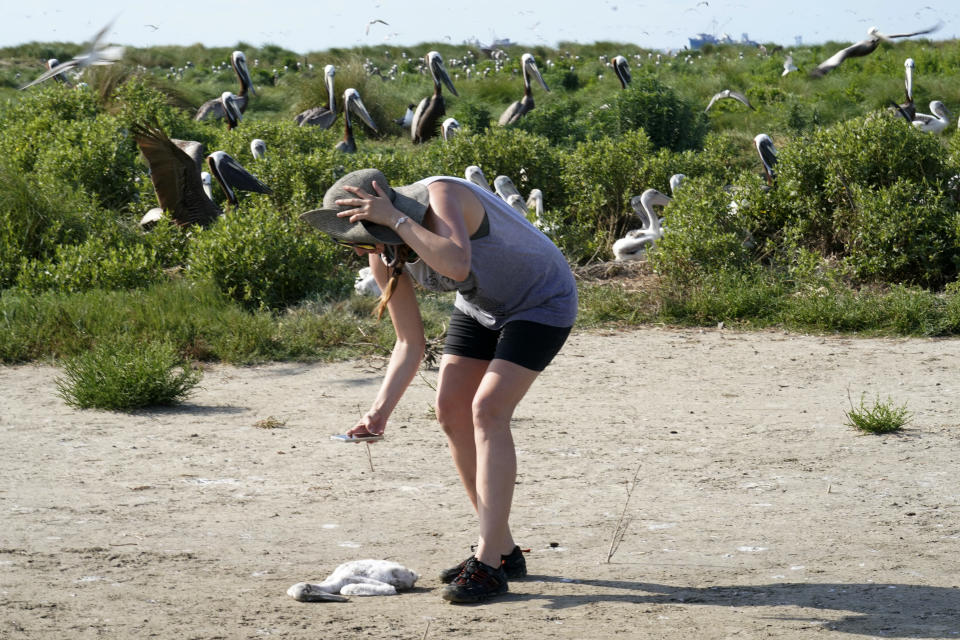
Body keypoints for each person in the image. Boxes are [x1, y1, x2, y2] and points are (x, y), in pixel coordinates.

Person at [300, 168, 577, 603]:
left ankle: (487, 564)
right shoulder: (385, 249)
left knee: (487, 409)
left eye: (366, 236)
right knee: (450, 411)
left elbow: (456, 263)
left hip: (541, 299)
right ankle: (503, 548)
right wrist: (378, 413)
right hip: (481, 307)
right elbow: (409, 343)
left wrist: (397, 220)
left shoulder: (443, 194)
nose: (364, 250)